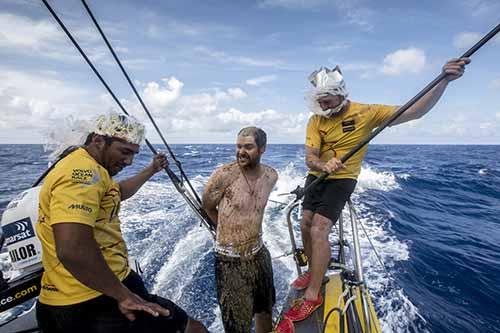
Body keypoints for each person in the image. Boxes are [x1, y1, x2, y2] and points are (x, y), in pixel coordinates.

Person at [284, 58, 470, 321]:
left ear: (339, 95)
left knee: (319, 228)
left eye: (327, 101)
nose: (322, 106)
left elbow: (415, 111)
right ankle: (314, 271)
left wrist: (443, 81)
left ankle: (313, 294)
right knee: (304, 223)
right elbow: (310, 157)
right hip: (317, 176)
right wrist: (323, 164)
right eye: (319, 101)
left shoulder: (367, 112)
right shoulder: (316, 120)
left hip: (342, 179)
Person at [35, 113, 207, 333]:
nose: (129, 161)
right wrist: (123, 295)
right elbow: (72, 248)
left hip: (70, 295)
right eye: (124, 152)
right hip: (94, 301)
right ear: (98, 141)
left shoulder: (91, 168)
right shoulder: (83, 174)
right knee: (194, 329)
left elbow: (117, 193)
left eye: (134, 154)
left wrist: (151, 170)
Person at [202, 127, 278, 333]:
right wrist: (228, 233)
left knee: (265, 308)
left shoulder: (271, 176)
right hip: (230, 260)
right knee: (237, 325)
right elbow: (207, 206)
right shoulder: (224, 175)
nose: (241, 152)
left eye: (248, 147)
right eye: (238, 146)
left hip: (259, 253)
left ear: (262, 149)